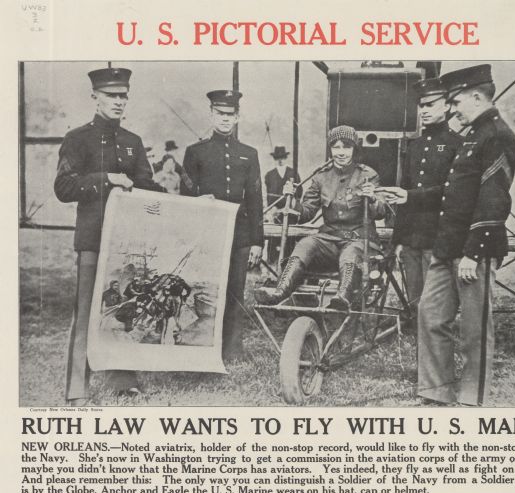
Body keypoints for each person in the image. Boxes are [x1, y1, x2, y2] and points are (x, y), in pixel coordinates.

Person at [390, 64, 515, 405]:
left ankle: (471, 396)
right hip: (446, 247)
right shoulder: (474, 134)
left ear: (477, 97)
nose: (453, 107)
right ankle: (435, 390)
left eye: (457, 100)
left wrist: (473, 253)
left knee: (474, 328)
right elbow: (454, 194)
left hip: (471, 251)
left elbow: (494, 199)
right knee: (430, 315)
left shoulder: (497, 135)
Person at [54, 66, 164, 405]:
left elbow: (147, 186)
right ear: (95, 97)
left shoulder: (133, 141)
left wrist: (189, 202)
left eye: (123, 96)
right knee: (86, 311)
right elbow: (63, 187)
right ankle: (76, 388)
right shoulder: (77, 138)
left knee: (124, 309)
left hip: (127, 243)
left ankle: (123, 379)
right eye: (111, 95)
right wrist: (107, 177)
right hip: (92, 238)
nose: (118, 102)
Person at [254, 125, 386, 310]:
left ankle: (342, 298)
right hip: (329, 240)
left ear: (354, 149)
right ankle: (279, 292)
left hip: (361, 241)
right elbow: (306, 212)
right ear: (330, 149)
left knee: (351, 253)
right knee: (306, 244)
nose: (341, 152)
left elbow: (381, 212)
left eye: (346, 147)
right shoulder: (321, 177)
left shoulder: (368, 175)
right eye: (336, 147)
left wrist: (372, 197)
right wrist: (291, 200)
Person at [182, 89, 263, 360]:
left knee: (236, 291)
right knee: (207, 290)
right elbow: (186, 196)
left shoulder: (249, 154)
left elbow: (255, 200)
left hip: (239, 235)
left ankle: (232, 350)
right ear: (211, 114)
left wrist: (257, 242)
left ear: (238, 117)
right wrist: (198, 200)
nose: (225, 119)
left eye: (230, 114)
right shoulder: (195, 153)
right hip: (208, 234)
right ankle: (204, 347)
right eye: (220, 114)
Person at [391, 78, 462, 326]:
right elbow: (405, 191)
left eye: (431, 104)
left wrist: (411, 197)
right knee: (415, 298)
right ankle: (420, 336)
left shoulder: (457, 145)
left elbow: (453, 192)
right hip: (412, 237)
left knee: (435, 303)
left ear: (448, 106)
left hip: (437, 236)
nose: (424, 110)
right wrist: (398, 239)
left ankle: (434, 338)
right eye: (422, 106)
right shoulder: (416, 146)